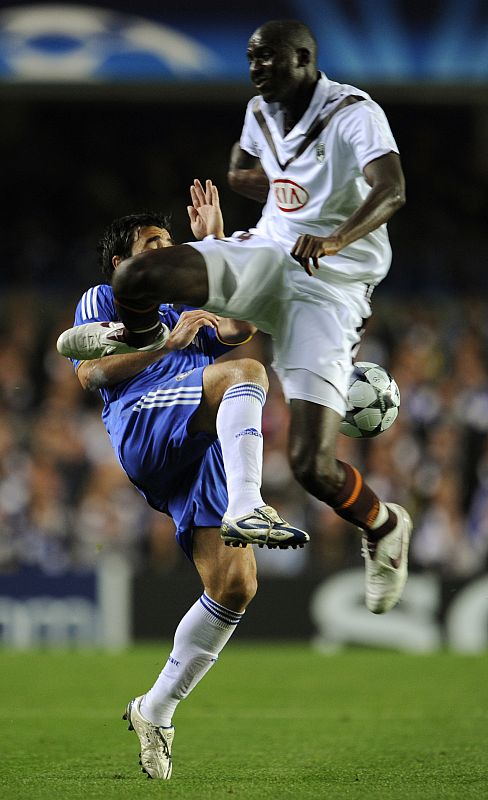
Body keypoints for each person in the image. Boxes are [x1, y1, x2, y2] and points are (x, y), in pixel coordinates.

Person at [57, 19, 411, 620]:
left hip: (333, 285)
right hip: (265, 262)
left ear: (304, 58)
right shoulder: (260, 112)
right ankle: (141, 339)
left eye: (268, 57)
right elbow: (242, 171)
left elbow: (393, 190)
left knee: (307, 473)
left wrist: (330, 231)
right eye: (251, 58)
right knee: (147, 288)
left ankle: (382, 524)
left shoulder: (354, 113)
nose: (256, 69)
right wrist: (255, 218)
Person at [60, 182, 308, 781]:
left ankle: (156, 709)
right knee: (245, 374)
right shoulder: (104, 298)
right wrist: (164, 347)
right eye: (152, 244)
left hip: (195, 445)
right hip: (144, 420)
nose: (165, 251)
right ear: (121, 262)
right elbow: (91, 373)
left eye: (170, 243)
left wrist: (216, 243)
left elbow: (239, 325)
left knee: (236, 585)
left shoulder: (183, 305)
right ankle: (248, 503)